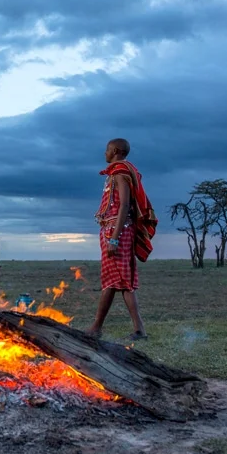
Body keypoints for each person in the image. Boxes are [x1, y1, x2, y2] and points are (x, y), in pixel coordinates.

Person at [87, 138, 157, 341]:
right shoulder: (118, 172)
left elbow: (125, 205)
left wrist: (114, 239)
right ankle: (134, 329)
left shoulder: (120, 172)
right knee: (119, 281)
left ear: (116, 151)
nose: (105, 153)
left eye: (107, 149)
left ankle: (98, 328)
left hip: (117, 231)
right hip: (114, 229)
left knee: (116, 281)